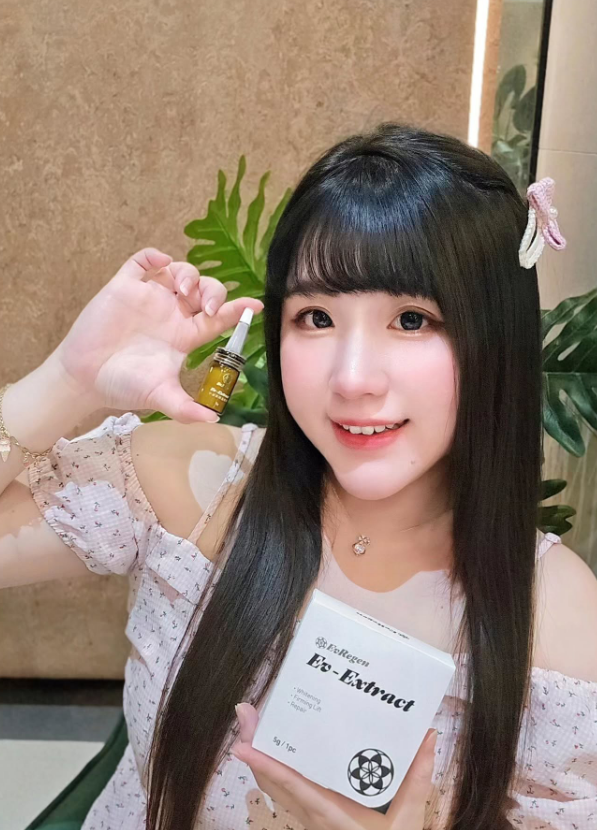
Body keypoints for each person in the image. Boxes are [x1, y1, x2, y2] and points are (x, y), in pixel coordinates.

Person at [0, 122, 596, 830]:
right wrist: (67, 381)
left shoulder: (557, 622)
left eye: (411, 320)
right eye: (315, 317)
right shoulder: (193, 485)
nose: (351, 379)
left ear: (497, 336)